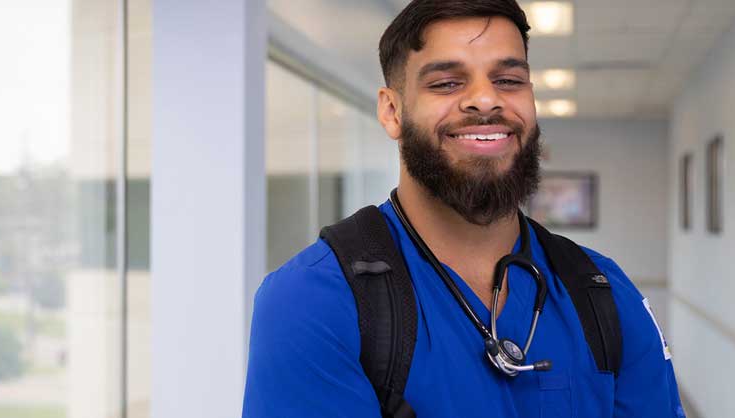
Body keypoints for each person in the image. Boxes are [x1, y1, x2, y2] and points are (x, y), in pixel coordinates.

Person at [243, 0, 686, 417]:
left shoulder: (603, 293)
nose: (486, 100)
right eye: (447, 83)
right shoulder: (314, 301)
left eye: (509, 80)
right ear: (392, 111)